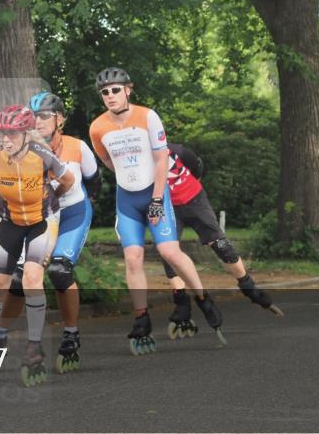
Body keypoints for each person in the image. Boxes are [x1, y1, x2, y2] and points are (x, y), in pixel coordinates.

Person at [88, 67, 224, 354]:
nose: (110, 95)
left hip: (155, 192)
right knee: (133, 258)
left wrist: (158, 199)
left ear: (128, 90)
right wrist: (129, 175)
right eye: (105, 92)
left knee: (169, 252)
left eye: (115, 89)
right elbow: (107, 161)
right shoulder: (97, 127)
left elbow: (162, 160)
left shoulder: (148, 116)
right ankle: (141, 319)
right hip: (127, 199)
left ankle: (203, 298)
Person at [0, 91, 101, 374]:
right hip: (37, 217)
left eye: (44, 116)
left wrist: (65, 200)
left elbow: (94, 182)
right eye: (33, 116)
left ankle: (71, 334)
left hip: (72, 212)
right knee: (20, 278)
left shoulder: (77, 147)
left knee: (60, 270)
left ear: (59, 119)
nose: (37, 122)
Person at [0, 104, 75, 387]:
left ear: (27, 134)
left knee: (31, 277)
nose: (7, 139)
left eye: (13, 133)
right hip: (9, 221)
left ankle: (35, 346)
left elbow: (68, 180)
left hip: (42, 221)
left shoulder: (43, 156)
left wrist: (50, 195)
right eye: (3, 133)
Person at [162, 142, 283, 339]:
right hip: (168, 207)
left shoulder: (176, 151)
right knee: (168, 253)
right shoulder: (137, 164)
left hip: (194, 199)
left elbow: (197, 167)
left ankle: (249, 287)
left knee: (221, 245)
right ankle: (182, 304)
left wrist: (187, 188)